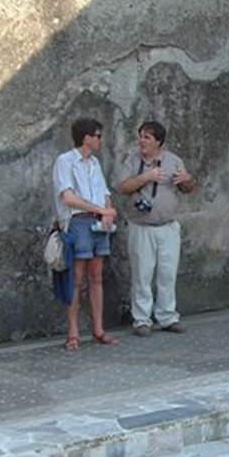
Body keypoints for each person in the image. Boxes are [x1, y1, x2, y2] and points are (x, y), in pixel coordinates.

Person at [116, 121, 197, 337]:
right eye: (141, 136)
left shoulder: (173, 161)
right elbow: (122, 187)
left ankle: (168, 317)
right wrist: (146, 177)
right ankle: (142, 320)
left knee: (167, 274)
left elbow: (188, 188)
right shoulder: (132, 160)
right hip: (141, 226)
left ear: (159, 141)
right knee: (142, 275)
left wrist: (187, 180)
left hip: (168, 227)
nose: (141, 141)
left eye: (147, 137)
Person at [52, 118, 118, 353]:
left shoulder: (94, 163)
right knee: (76, 279)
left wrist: (107, 211)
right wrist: (101, 210)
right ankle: (73, 332)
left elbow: (105, 192)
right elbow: (68, 197)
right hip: (78, 221)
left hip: (98, 222)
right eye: (98, 136)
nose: (100, 140)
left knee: (96, 276)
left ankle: (98, 329)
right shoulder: (65, 161)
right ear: (87, 137)